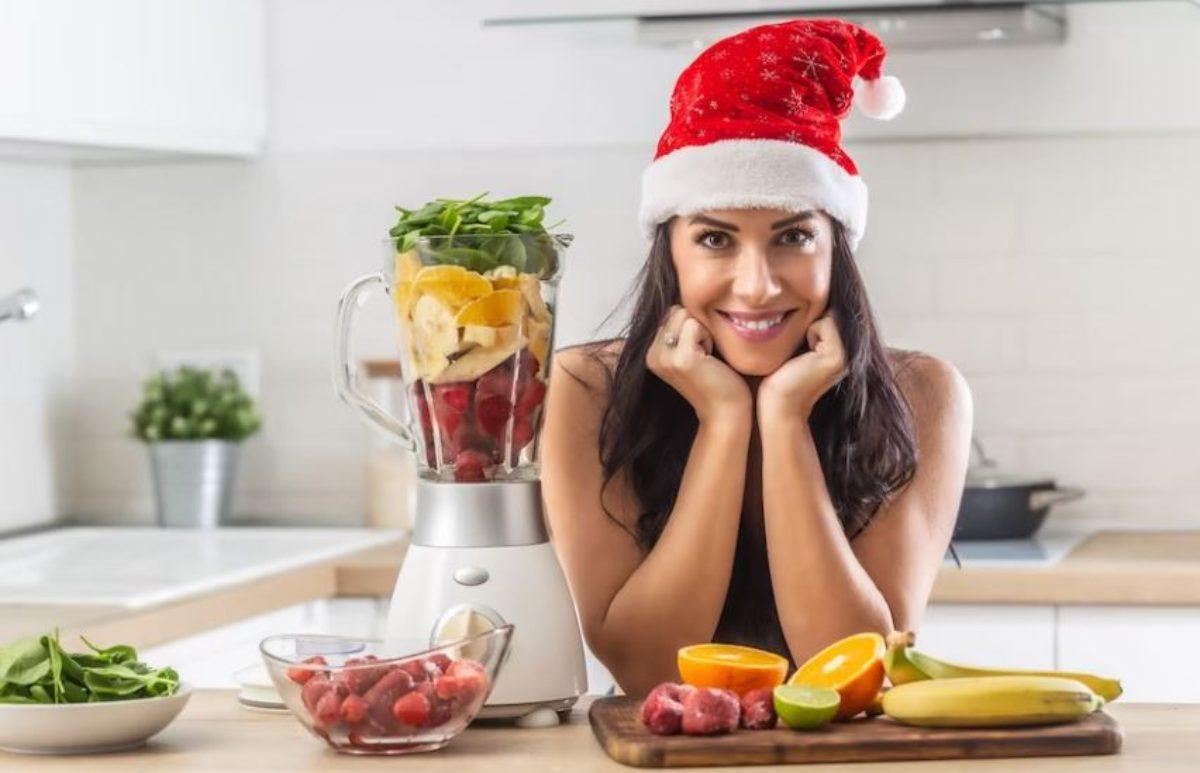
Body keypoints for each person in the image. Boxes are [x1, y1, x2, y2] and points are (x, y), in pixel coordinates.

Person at [541, 19, 972, 697]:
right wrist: (723, 420)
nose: (757, 284)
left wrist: (785, 420)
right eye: (715, 239)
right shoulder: (585, 387)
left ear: (837, 247)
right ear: (670, 251)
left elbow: (852, 669)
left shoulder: (924, 391)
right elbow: (650, 670)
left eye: (793, 236)